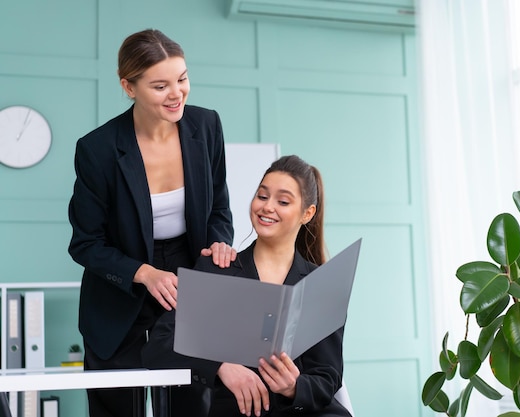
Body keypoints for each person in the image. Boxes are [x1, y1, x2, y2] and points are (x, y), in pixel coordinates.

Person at [67, 29, 236, 417]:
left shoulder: (206, 126)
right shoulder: (97, 149)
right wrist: (144, 273)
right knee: (117, 406)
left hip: (187, 277)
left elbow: (219, 210)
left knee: (192, 403)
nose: (177, 93)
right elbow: (86, 243)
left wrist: (218, 244)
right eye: (160, 85)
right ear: (128, 86)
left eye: (182, 79)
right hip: (121, 281)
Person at [142, 155, 352, 417]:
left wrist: (293, 387)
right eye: (262, 196)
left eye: (283, 201)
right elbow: (159, 345)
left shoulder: (322, 285)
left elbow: (327, 377)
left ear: (307, 214)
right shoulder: (218, 270)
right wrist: (219, 365)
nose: (267, 207)